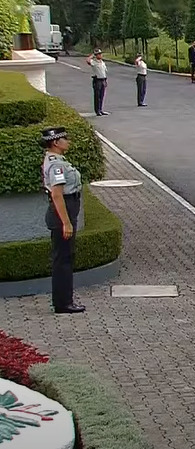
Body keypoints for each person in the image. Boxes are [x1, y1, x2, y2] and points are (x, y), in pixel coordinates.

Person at [41, 127, 85, 314]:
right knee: (63, 259)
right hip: (62, 212)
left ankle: (64, 299)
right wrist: (66, 222)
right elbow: (57, 195)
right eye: (64, 139)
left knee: (66, 256)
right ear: (56, 143)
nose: (68, 141)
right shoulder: (56, 165)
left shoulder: (58, 161)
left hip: (66, 209)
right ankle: (63, 303)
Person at [85, 49, 109, 116]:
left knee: (102, 96)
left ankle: (101, 109)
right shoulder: (94, 62)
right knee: (97, 96)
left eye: (101, 54)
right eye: (99, 54)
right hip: (97, 80)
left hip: (103, 80)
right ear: (96, 55)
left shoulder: (102, 62)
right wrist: (92, 55)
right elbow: (87, 60)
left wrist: (105, 81)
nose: (101, 55)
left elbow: (104, 72)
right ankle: (97, 110)